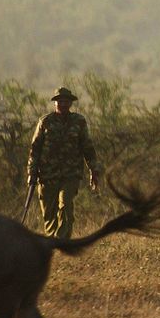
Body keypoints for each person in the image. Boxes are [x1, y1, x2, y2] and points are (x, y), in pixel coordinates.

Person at [26, 86, 102, 238]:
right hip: (47, 176)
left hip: (70, 174)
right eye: (60, 101)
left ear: (71, 103)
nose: (63, 104)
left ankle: (62, 241)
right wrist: (31, 173)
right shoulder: (45, 122)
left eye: (66, 101)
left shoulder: (79, 122)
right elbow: (35, 150)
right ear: (55, 103)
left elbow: (87, 147)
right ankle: (51, 241)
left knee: (65, 205)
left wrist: (93, 170)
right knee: (49, 215)